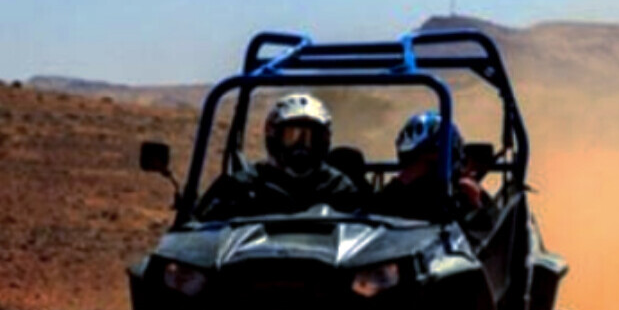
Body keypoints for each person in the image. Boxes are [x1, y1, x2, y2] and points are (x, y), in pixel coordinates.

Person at [196, 93, 360, 218]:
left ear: (324, 142)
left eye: (311, 138)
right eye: (292, 137)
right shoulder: (243, 186)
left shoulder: (338, 187)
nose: (301, 147)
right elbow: (202, 230)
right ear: (273, 137)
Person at [365, 110, 485, 222]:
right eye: (413, 162)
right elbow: (372, 218)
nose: (418, 170)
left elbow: (488, 233)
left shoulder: (462, 192)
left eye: (430, 162)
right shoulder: (394, 197)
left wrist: (475, 203)